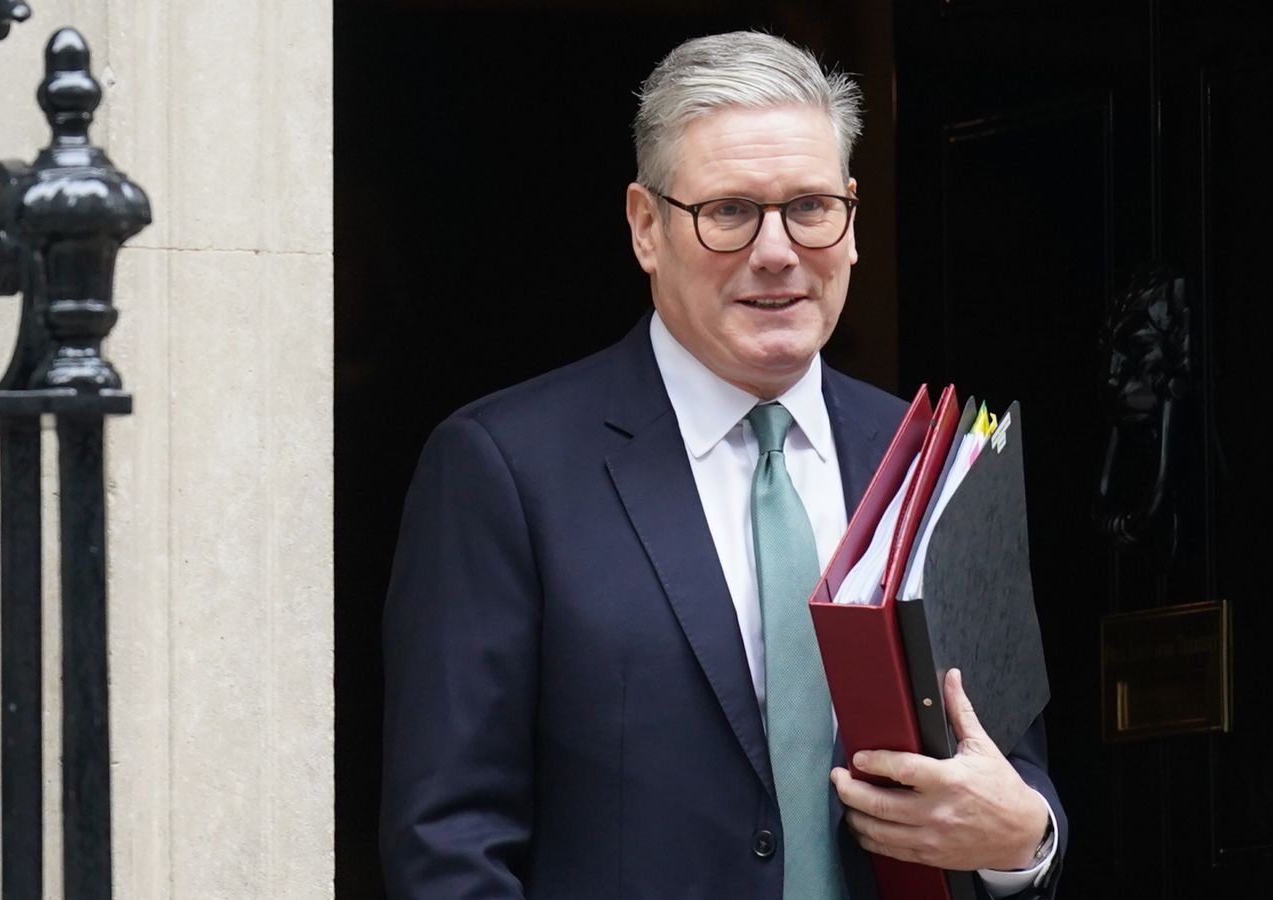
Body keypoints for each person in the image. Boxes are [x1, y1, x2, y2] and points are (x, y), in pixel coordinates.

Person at [380, 31, 1065, 900]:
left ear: (852, 219)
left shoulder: (936, 463)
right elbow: (449, 843)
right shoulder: (504, 471)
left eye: (811, 207)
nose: (777, 251)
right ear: (645, 227)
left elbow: (1016, 778)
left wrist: (1024, 841)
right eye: (730, 211)